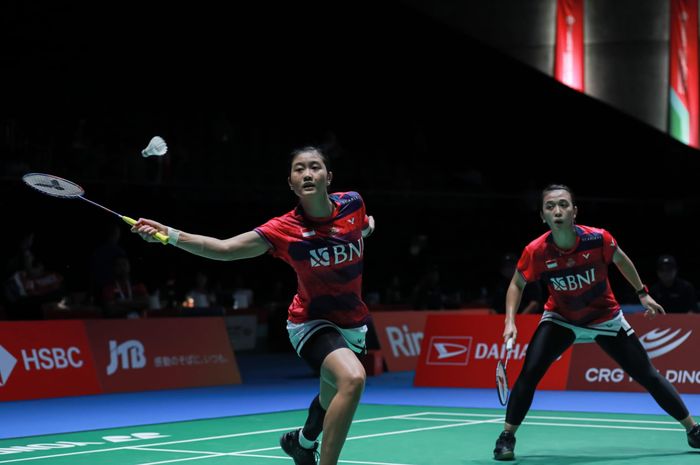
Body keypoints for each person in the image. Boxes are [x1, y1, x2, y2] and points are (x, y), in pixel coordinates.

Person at [133, 146, 375, 465]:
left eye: (314, 167)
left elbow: (361, 226)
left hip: (353, 322)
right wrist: (169, 235)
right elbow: (225, 248)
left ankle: (301, 443)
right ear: (290, 182)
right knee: (353, 379)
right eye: (299, 169)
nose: (307, 173)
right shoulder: (284, 229)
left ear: (328, 177)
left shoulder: (352, 204)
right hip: (311, 322)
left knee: (331, 398)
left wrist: (366, 229)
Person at [493, 184, 699, 460]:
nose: (558, 211)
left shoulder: (598, 239)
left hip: (605, 318)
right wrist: (510, 322)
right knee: (529, 373)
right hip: (561, 319)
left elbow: (622, 260)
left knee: (647, 374)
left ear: (574, 211)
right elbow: (517, 283)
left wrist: (642, 293)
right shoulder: (537, 251)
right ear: (542, 215)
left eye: (564, 204)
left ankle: (693, 429)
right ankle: (507, 436)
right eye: (550, 206)